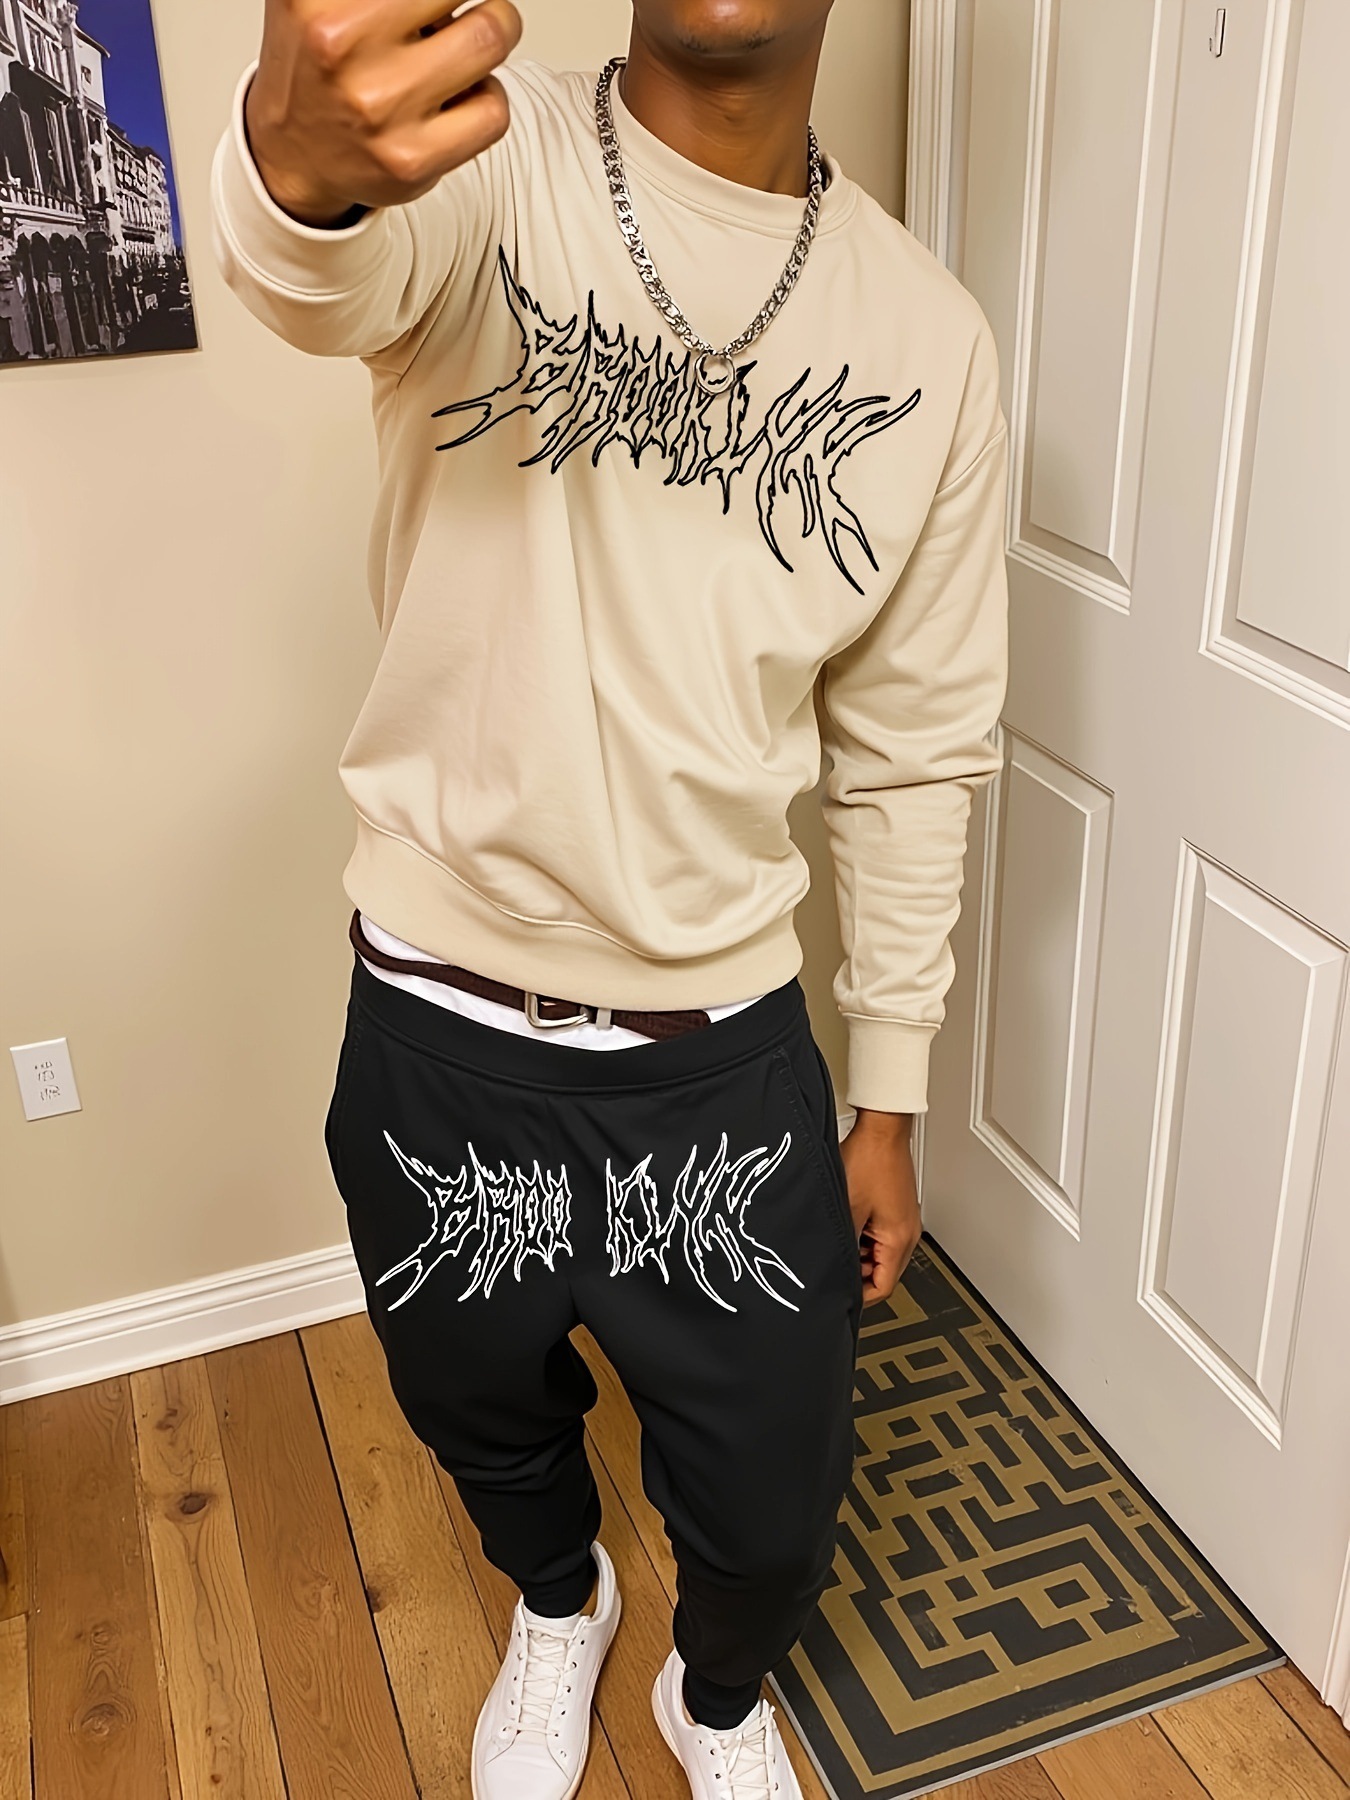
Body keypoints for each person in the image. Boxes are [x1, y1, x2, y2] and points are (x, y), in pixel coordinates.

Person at [210, 1, 1009, 1793]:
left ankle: (711, 1700)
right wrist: (294, 172)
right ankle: (560, 1604)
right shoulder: (480, 165)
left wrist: (888, 1096)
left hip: (717, 1056)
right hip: (438, 1032)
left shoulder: (929, 340)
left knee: (776, 1497)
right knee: (475, 1413)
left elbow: (913, 753)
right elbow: (318, 273)